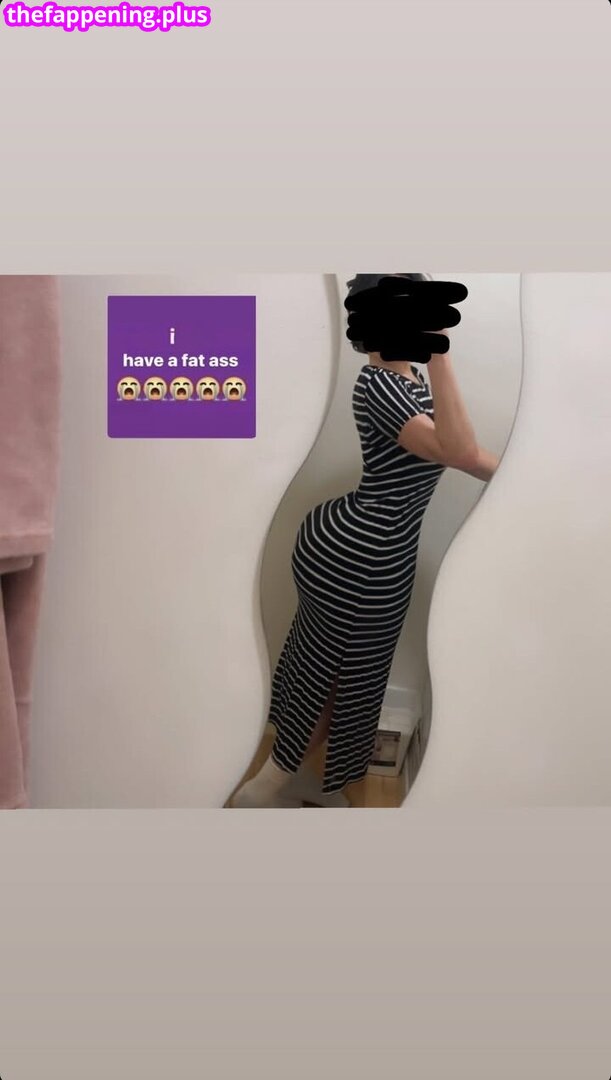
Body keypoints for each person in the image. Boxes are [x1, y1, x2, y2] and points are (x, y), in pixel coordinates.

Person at [231, 273, 499, 808]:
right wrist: (441, 351)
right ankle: (268, 785)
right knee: (329, 672)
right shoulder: (380, 385)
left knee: (351, 673)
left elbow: (462, 450)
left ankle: (296, 776)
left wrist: (527, 480)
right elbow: (461, 452)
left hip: (378, 553)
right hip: (358, 554)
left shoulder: (410, 383)